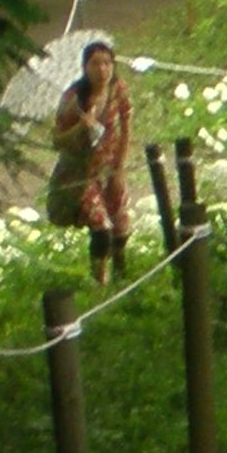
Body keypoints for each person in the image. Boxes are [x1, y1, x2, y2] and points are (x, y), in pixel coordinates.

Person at [44, 40, 136, 279]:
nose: (102, 70)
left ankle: (121, 274)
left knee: (121, 225)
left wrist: (119, 169)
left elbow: (126, 128)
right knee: (101, 228)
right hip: (83, 174)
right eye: (95, 64)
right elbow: (57, 141)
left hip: (110, 169)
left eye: (107, 63)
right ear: (85, 67)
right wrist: (80, 127)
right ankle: (99, 280)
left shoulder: (118, 89)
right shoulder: (73, 99)